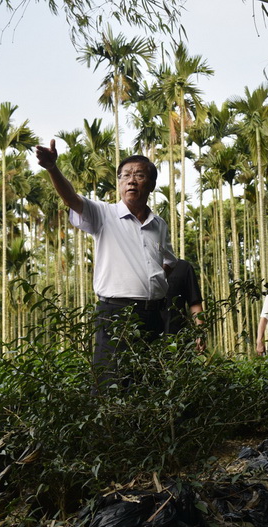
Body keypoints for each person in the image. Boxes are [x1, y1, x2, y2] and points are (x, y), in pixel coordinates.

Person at [35, 140, 177, 390]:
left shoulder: (159, 224)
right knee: (111, 382)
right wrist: (52, 168)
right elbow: (71, 199)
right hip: (116, 313)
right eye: (125, 176)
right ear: (119, 183)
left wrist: (153, 284)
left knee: (149, 383)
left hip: (154, 314)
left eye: (139, 175)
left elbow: (169, 261)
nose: (131, 181)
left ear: (151, 184)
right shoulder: (104, 214)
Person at [164, 258, 205, 352]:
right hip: (147, 335)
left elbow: (194, 303)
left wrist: (200, 334)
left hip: (178, 336)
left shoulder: (183, 267)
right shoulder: (141, 267)